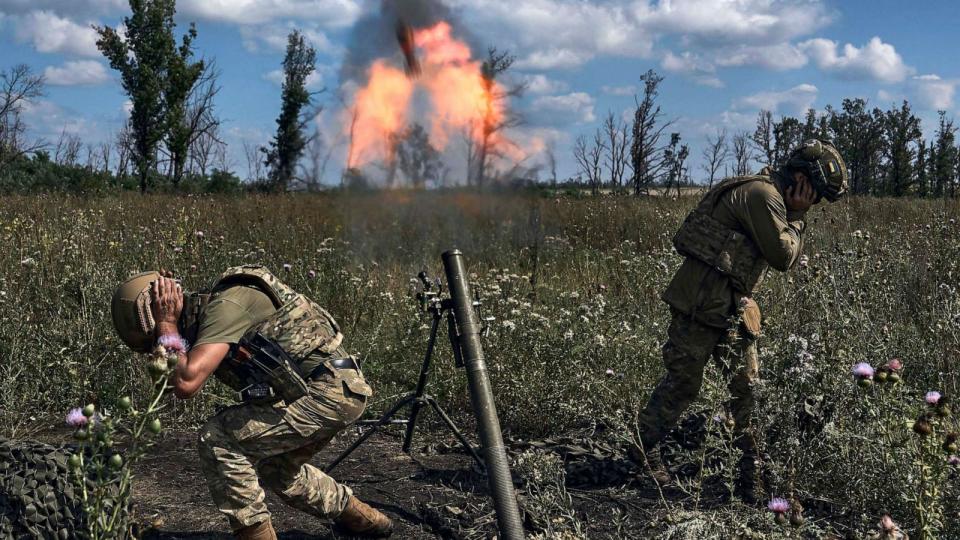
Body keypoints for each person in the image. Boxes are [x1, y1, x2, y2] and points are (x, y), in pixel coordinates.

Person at [631, 139, 849, 502]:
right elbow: (783, 255)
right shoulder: (762, 196)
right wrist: (796, 219)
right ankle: (642, 452)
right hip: (700, 305)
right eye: (817, 195)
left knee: (748, 392)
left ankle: (751, 477)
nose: (816, 203)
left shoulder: (770, 195)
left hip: (731, 308)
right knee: (682, 384)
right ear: (801, 179)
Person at [111, 265, 393, 540]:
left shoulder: (225, 306)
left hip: (330, 390)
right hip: (327, 391)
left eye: (156, 342)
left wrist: (166, 323)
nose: (160, 346)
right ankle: (366, 521)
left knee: (219, 438)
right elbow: (170, 381)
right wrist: (167, 335)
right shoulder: (206, 321)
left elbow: (186, 383)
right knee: (279, 471)